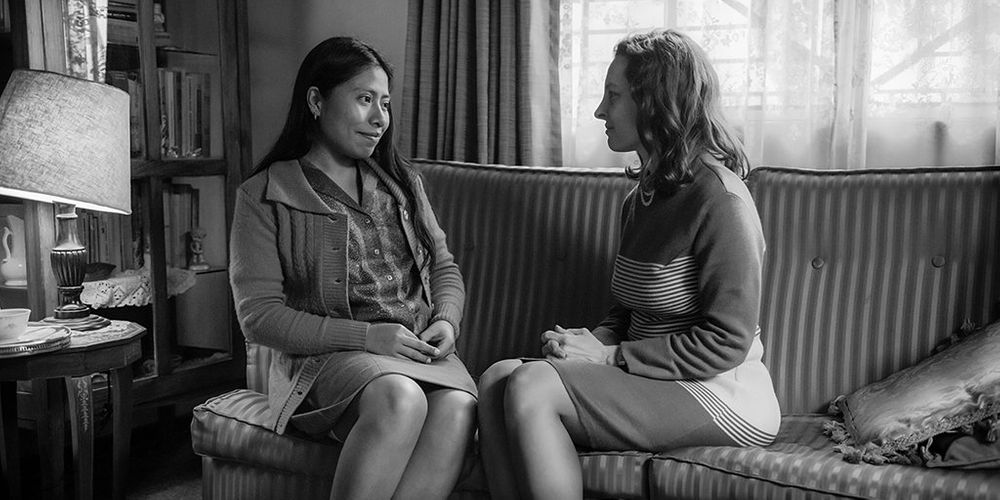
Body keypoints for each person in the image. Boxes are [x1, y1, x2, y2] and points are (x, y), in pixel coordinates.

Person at [477, 29, 781, 499]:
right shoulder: (641, 198)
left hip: (723, 393)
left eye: (613, 96)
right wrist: (590, 341)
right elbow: (628, 310)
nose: (600, 111)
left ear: (655, 102)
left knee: (532, 386)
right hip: (652, 376)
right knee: (497, 379)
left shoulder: (721, 200)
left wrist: (609, 356)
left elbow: (728, 342)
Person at [229, 37, 477, 499]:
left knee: (459, 407)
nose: (380, 118)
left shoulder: (403, 183)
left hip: (420, 356)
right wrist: (368, 338)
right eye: (365, 99)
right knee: (400, 398)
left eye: (385, 103)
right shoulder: (263, 195)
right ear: (316, 101)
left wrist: (447, 319)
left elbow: (443, 267)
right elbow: (259, 317)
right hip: (327, 364)